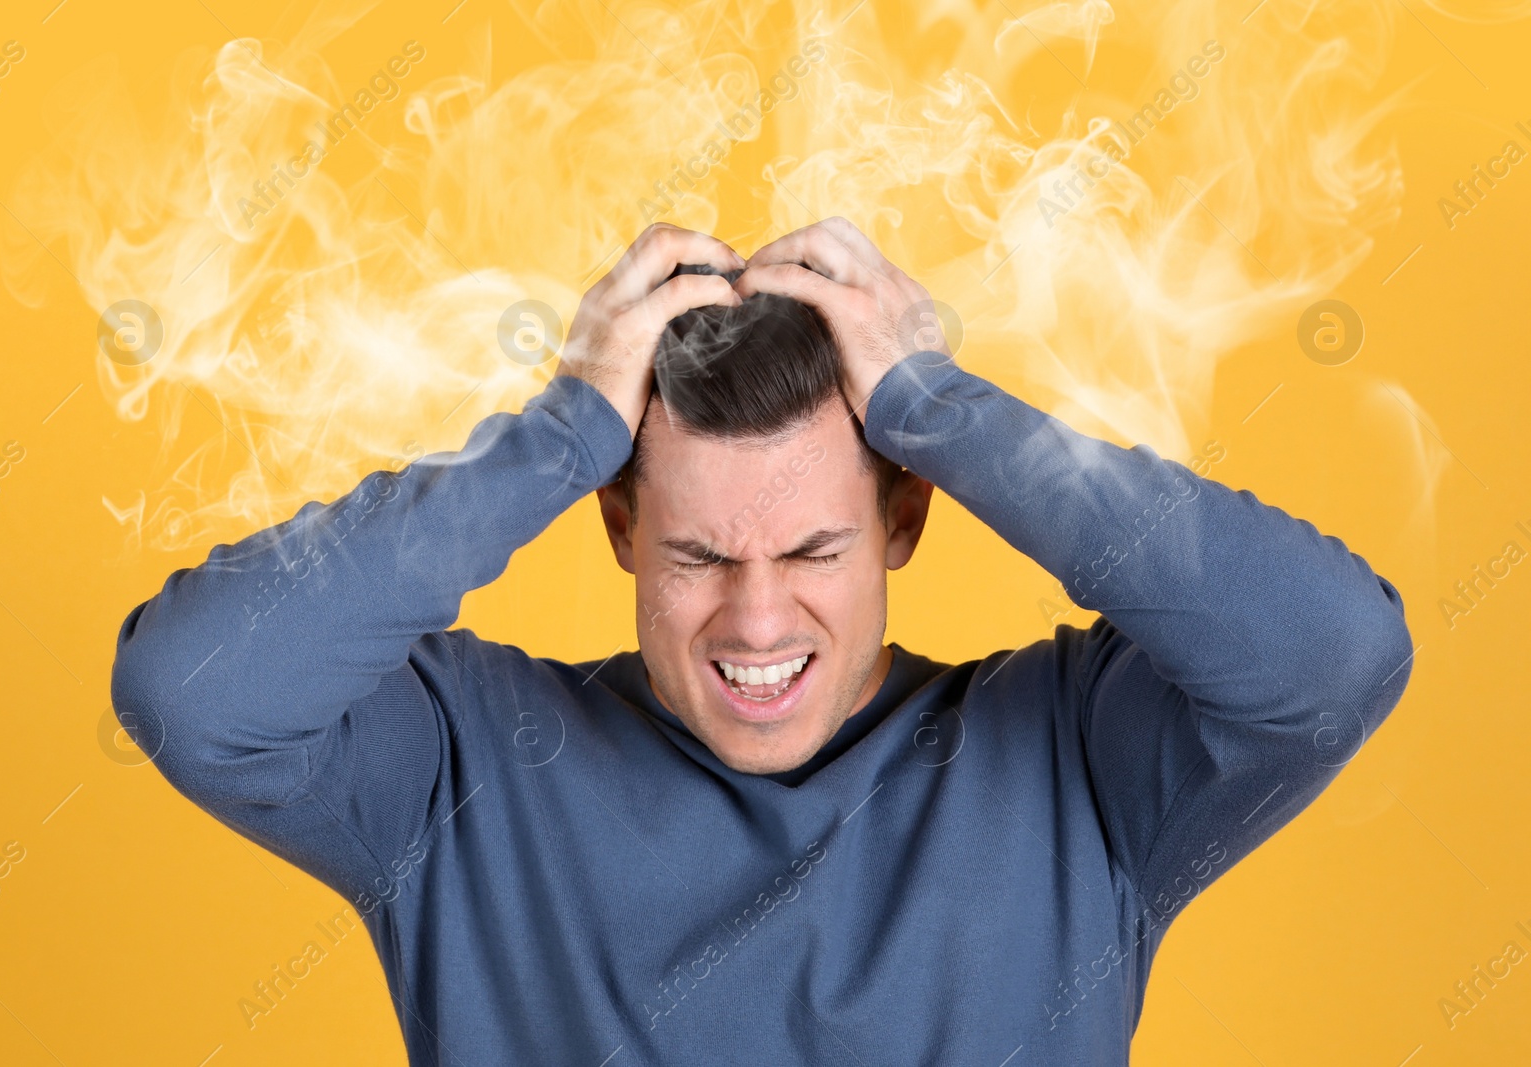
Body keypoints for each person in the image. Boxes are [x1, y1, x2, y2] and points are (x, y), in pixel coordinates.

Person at [110, 219, 1414, 1064]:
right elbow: (193, 690)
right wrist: (557, 436)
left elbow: (1331, 653)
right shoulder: (460, 780)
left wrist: (937, 407)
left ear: (904, 517)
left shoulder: (1081, 768)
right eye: (698, 556)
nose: (757, 621)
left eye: (812, 552)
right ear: (618, 527)